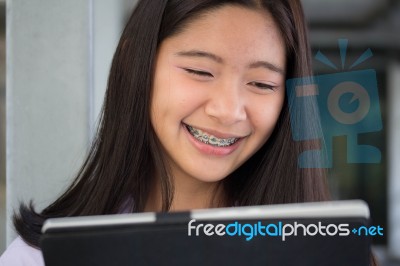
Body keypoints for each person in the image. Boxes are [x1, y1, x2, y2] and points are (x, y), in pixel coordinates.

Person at [1, 0, 331, 265]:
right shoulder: (39, 258)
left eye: (262, 83)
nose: (229, 111)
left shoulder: (325, 251)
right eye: (200, 71)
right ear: (135, 64)